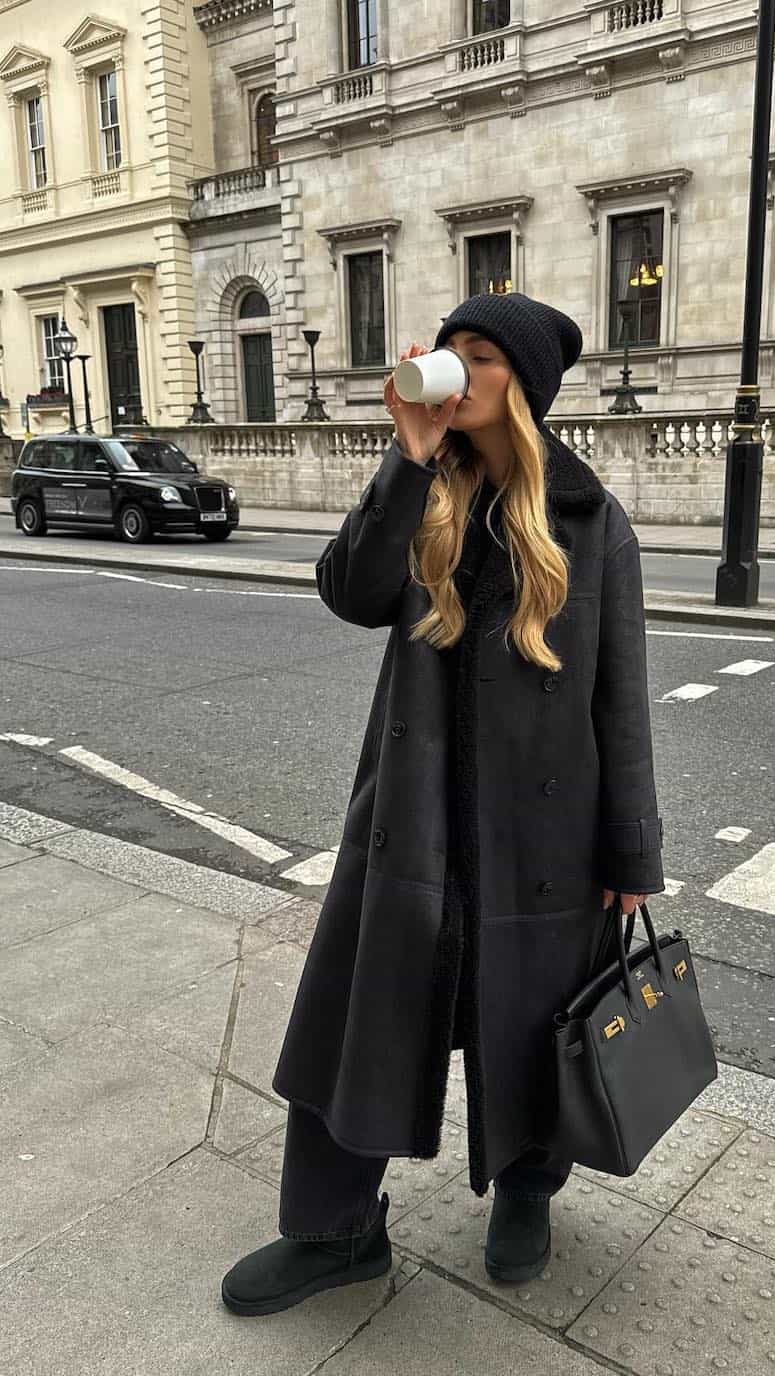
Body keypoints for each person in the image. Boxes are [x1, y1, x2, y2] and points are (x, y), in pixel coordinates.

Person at [221, 292, 665, 1317]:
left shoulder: (592, 523)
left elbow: (622, 701)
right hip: (410, 821)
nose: (455, 369)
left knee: (532, 1023)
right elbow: (348, 589)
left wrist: (631, 855)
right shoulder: (428, 489)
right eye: (450, 350)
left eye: (479, 356)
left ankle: (524, 1190)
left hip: (545, 835)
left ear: (523, 386)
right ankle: (334, 1228)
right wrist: (407, 453)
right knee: (356, 1017)